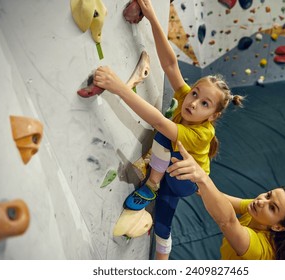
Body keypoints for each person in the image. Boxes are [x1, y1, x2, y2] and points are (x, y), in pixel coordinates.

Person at [92, 0, 244, 260]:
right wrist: (151, 17)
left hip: (185, 182)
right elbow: (171, 66)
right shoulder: (187, 100)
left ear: (214, 115)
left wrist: (119, 87)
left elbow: (161, 124)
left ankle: (152, 183)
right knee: (163, 223)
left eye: (204, 103)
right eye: (195, 93)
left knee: (164, 131)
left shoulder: (202, 133)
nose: (193, 103)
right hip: (171, 176)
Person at [167, 141, 285, 260]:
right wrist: (195, 179)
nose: (261, 201)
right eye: (268, 195)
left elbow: (227, 221)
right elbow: (221, 198)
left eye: (272, 208)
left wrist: (202, 177)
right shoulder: (257, 209)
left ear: (278, 227)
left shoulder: (260, 250)